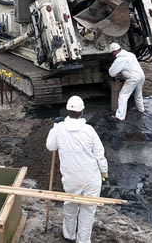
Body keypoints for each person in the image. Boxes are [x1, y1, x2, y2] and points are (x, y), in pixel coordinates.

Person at [46, 96, 108, 243]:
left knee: (71, 204)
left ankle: (68, 235)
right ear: (82, 111)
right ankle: (83, 240)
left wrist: (55, 127)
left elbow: (50, 146)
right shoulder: (89, 130)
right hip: (91, 178)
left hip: (71, 178)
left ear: (68, 111)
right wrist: (104, 172)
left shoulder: (60, 128)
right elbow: (99, 154)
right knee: (88, 210)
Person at [108, 42, 145, 120]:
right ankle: (141, 109)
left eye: (112, 53)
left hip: (133, 78)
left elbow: (112, 73)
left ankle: (120, 116)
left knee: (123, 95)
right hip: (141, 75)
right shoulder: (130, 54)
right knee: (138, 93)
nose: (113, 54)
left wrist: (119, 72)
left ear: (114, 51)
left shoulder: (120, 59)